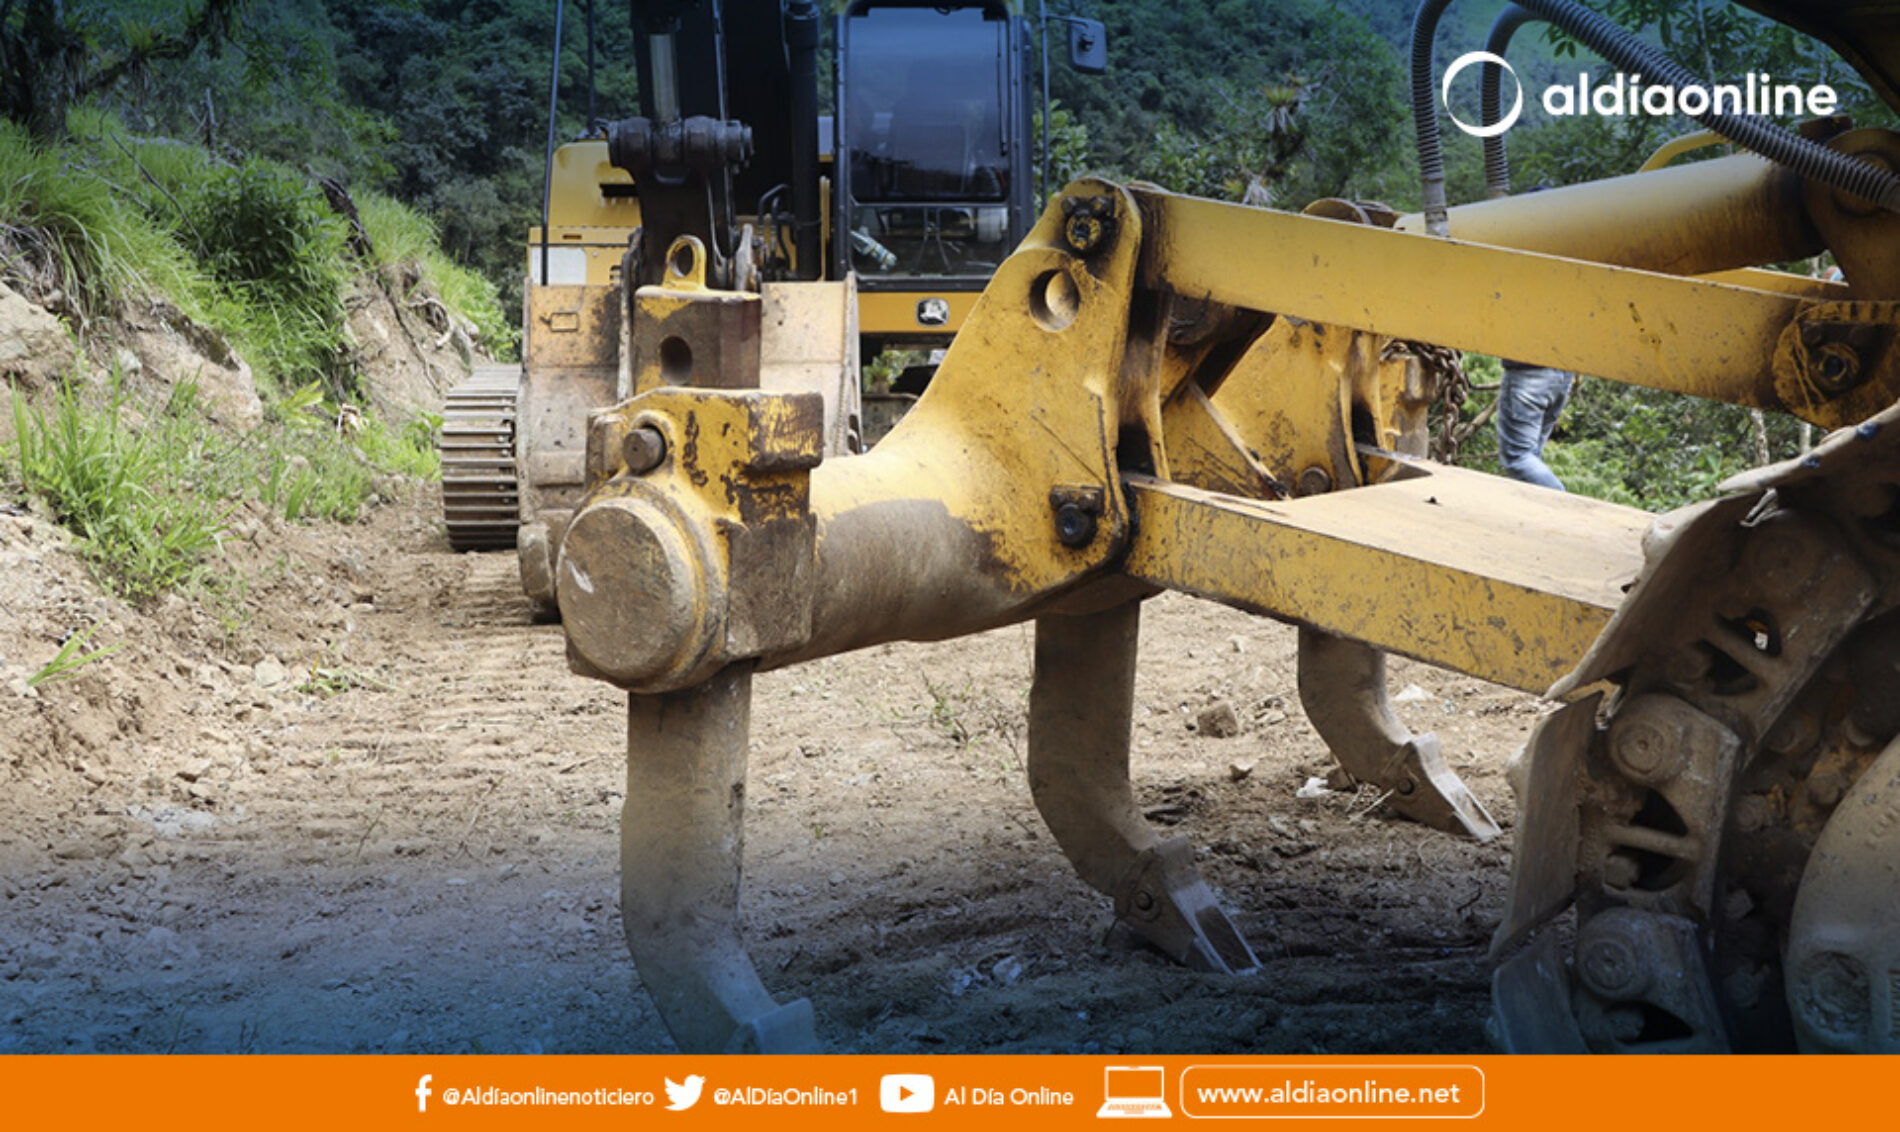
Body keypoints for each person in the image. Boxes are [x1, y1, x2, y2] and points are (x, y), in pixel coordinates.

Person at [1494, 359, 1574, 490]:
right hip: (1563, 375)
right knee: (1532, 455)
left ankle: (1561, 503)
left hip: (1529, 371)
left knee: (1518, 456)